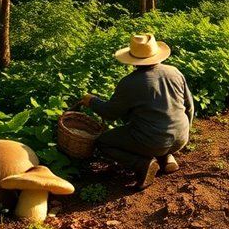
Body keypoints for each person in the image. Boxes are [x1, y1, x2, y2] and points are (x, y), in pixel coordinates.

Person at [80, 34, 195, 190]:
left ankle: (143, 164)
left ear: (133, 60)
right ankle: (166, 157)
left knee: (103, 142)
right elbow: (189, 106)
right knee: (156, 126)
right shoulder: (174, 72)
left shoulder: (130, 83)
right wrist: (183, 130)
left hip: (154, 141)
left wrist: (91, 101)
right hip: (181, 137)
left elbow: (110, 113)